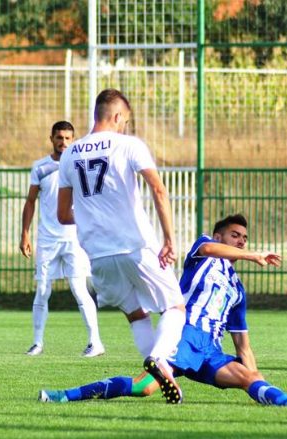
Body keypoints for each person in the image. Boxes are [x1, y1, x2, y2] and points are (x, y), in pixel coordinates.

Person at [37, 214, 287, 408]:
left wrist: (256, 374)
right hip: (183, 334)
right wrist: (250, 254)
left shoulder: (237, 290)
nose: (241, 240)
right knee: (142, 387)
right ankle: (64, 395)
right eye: (235, 235)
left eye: (245, 238)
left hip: (210, 350)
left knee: (247, 376)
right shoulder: (204, 250)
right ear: (219, 236)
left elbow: (242, 344)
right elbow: (209, 250)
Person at [57, 88, 187, 402]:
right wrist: (169, 238)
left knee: (135, 313)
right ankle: (159, 360)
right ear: (117, 117)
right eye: (125, 120)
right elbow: (158, 189)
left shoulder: (69, 154)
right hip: (135, 246)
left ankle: (160, 371)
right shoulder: (128, 145)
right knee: (175, 306)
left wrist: (92, 217)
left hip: (98, 255)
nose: (125, 126)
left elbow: (63, 214)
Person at [19, 121, 104, 358]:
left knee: (79, 288)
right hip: (47, 239)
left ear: (73, 140)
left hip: (74, 238)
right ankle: (37, 343)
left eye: (68, 138)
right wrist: (25, 233)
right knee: (43, 290)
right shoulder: (41, 167)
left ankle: (95, 342)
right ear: (51, 138)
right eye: (59, 137)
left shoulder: (80, 166)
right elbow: (30, 201)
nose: (63, 142)